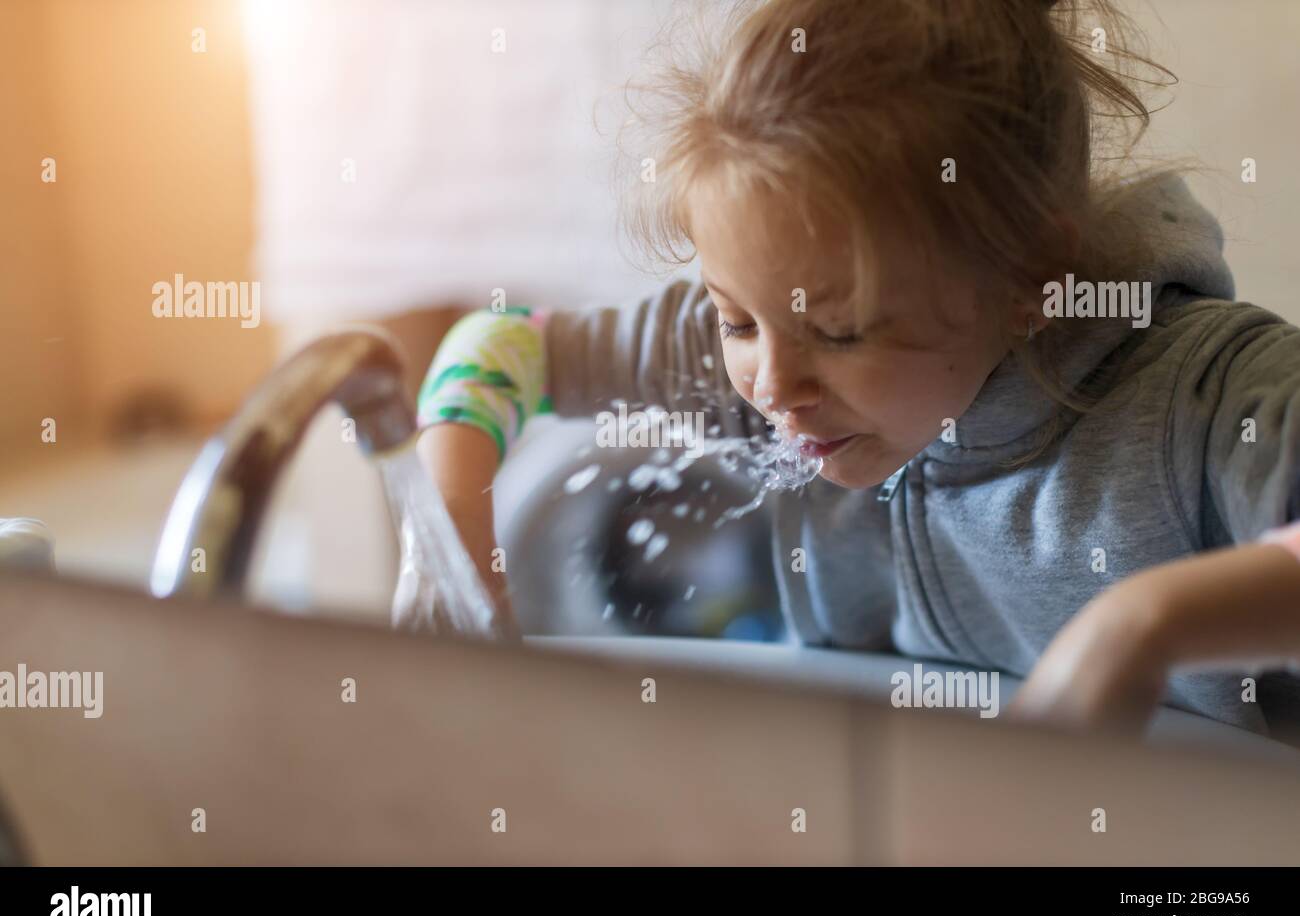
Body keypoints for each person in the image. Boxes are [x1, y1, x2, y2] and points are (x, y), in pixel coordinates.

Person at [407, 0, 1300, 741]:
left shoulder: (1209, 400)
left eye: (839, 332)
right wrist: (459, 552)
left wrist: (1140, 628)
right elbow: (497, 349)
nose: (770, 388)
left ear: (1030, 278)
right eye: (734, 318)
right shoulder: (771, 354)